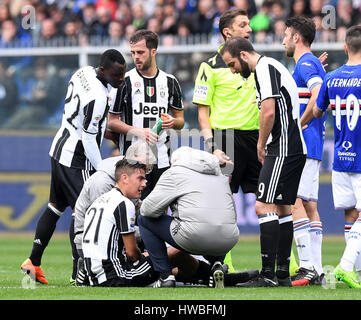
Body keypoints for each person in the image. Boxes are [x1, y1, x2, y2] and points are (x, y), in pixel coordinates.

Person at [20, 49, 126, 285]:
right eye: (117, 75)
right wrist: (101, 170)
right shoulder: (98, 97)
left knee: (55, 207)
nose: (121, 79)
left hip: (58, 147)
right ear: (103, 70)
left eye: (123, 74)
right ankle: (78, 271)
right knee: (87, 212)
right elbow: (88, 138)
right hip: (76, 158)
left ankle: (33, 262)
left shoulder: (83, 72)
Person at [221, 36, 307, 287]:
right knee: (282, 209)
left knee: (262, 206)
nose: (233, 71)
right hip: (291, 148)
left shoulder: (265, 68)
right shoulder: (272, 67)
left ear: (244, 56)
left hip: (282, 148)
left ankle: (267, 274)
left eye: (232, 64)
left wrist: (261, 143)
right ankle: (281, 274)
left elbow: (268, 110)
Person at [192, 9, 261, 273]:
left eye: (249, 24)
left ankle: (284, 263)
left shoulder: (257, 63)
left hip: (255, 138)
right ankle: (224, 262)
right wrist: (211, 145)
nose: (249, 29)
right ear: (227, 32)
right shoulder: (209, 66)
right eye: (243, 25)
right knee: (223, 204)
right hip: (225, 139)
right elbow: (202, 111)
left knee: (267, 200)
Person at [138, 147, 240, 288]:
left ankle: (165, 276)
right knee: (214, 221)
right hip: (229, 239)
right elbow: (231, 213)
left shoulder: (174, 172)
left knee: (144, 220)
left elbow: (147, 210)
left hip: (194, 236)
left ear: (175, 161)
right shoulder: (219, 175)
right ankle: (217, 264)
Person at [107, 29, 184, 200]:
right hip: (132, 160)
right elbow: (111, 122)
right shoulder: (124, 82)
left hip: (162, 160)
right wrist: (139, 131)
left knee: (159, 212)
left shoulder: (170, 82)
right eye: (133, 53)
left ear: (153, 51)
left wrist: (173, 122)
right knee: (133, 211)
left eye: (140, 52)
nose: (136, 57)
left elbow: (181, 121)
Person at [313, 25, 361, 288]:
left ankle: (355, 269)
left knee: (351, 214)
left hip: (341, 157)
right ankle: (345, 266)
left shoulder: (332, 78)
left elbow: (318, 111)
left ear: (345, 48)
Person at [73, 140, 156, 285]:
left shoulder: (118, 187)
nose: (145, 180)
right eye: (141, 175)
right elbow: (104, 227)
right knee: (158, 251)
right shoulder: (103, 184)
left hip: (99, 247)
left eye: (147, 172)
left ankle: (88, 270)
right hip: (92, 243)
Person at [282, 16, 326, 286]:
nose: (283, 39)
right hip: (314, 143)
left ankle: (307, 266)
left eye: (286, 34)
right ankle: (318, 269)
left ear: (297, 37)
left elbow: (318, 91)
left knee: (294, 201)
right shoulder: (309, 64)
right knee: (309, 205)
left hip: (304, 143)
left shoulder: (306, 62)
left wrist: (300, 123)